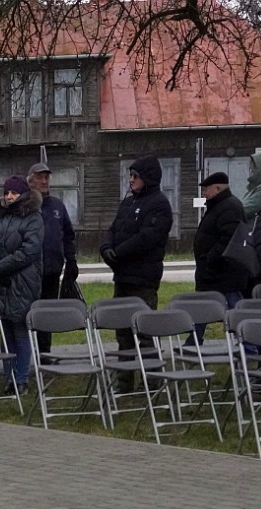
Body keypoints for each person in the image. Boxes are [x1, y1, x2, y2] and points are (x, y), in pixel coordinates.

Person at [100, 155, 172, 391]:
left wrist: (118, 253)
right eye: (130, 176)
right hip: (122, 277)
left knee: (144, 332)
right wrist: (106, 249)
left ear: (147, 178)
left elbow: (147, 238)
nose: (131, 180)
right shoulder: (128, 203)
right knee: (123, 332)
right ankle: (124, 382)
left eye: (135, 176)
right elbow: (113, 229)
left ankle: (151, 383)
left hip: (143, 279)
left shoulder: (160, 205)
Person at [0, 176, 43, 394]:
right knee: (5, 330)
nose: (9, 196)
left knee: (20, 329)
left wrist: (1, 266)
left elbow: (29, 250)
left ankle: (22, 379)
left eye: (14, 193)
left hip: (22, 281)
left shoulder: (34, 218)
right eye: (6, 192)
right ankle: (9, 379)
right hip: (0, 282)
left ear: (23, 194)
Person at [27, 162, 78, 358]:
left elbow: (68, 235)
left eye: (46, 177)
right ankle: (26, 355)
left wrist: (71, 260)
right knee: (30, 313)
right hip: (29, 271)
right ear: (30, 181)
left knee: (47, 313)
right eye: (39, 177)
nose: (44, 181)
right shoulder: (26, 204)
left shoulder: (57, 205)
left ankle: (45, 354)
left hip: (52, 270)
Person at [193, 172, 247, 312]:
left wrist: (210, 258)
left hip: (223, 273)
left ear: (217, 189)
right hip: (213, 273)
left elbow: (229, 239)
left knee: (234, 308)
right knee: (203, 308)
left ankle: (239, 324)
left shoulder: (230, 207)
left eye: (206, 189)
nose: (204, 193)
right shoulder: (217, 207)